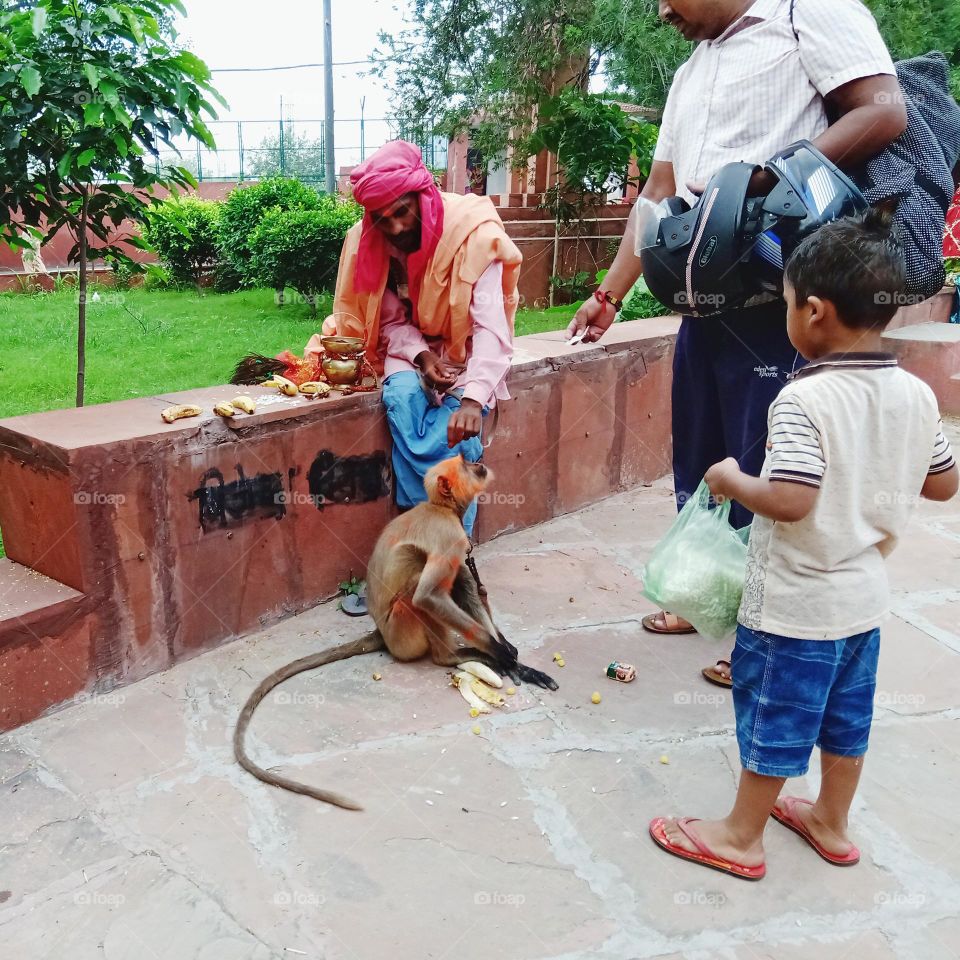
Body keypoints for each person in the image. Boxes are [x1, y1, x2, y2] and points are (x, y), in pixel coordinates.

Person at [566, 0, 907, 683]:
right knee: (702, 466)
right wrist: (608, 294)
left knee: (771, 474)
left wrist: (766, 176)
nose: (661, 10)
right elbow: (657, 194)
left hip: (780, 306)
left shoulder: (806, 14)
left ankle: (759, 634)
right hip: (704, 304)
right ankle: (706, 597)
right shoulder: (693, 71)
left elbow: (883, 110)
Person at [649, 211, 958, 880]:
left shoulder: (803, 399)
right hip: (864, 604)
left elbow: (792, 499)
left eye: (788, 303)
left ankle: (739, 836)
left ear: (814, 311)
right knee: (847, 723)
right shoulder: (915, 394)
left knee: (775, 719)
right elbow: (944, 484)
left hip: (796, 607)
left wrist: (731, 478)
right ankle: (831, 821)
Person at [320, 140, 521, 542]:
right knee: (402, 402)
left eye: (402, 212)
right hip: (410, 350)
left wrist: (472, 401)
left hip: (468, 352)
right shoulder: (369, 240)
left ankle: (437, 551)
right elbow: (387, 322)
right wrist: (423, 355)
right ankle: (442, 549)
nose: (395, 228)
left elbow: (490, 329)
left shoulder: (473, 234)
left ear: (423, 197)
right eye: (383, 219)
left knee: (446, 429)